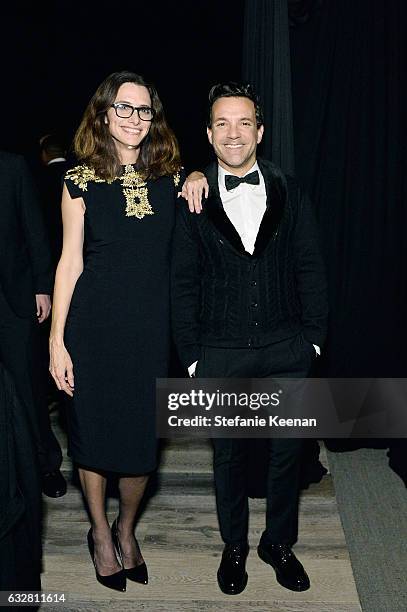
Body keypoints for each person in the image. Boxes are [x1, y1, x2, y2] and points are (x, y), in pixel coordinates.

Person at [49, 70, 206, 592]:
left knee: (142, 445)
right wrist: (57, 341)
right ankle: (98, 532)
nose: (135, 119)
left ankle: (126, 527)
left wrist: (201, 174)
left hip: (149, 332)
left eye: (144, 110)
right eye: (124, 108)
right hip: (91, 329)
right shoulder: (78, 181)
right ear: (103, 113)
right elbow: (69, 263)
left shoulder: (174, 177)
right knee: (91, 439)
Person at [171, 82, 328, 595]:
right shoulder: (192, 197)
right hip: (220, 352)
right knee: (230, 458)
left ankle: (278, 543)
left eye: (243, 123)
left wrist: (315, 342)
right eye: (222, 123)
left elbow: (310, 268)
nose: (233, 133)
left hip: (287, 349)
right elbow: (183, 282)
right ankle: (234, 545)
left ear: (260, 131)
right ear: (209, 135)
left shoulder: (291, 191)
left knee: (288, 455)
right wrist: (193, 357)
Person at [0, 150, 66, 499]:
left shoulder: (12, 166)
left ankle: (45, 464)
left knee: (26, 387)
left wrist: (42, 285)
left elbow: (34, 227)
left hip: (12, 299)